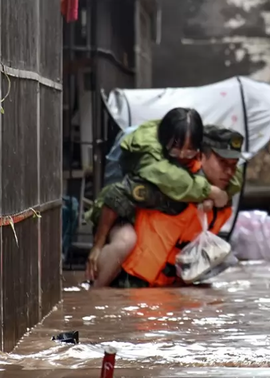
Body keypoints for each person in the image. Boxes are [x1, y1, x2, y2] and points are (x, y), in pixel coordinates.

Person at [85, 108, 241, 286]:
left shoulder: (200, 175)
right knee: (125, 241)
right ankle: (94, 291)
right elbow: (115, 197)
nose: (182, 157)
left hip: (161, 267)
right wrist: (97, 246)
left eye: (189, 152)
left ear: (198, 151)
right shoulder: (157, 170)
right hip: (115, 214)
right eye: (176, 151)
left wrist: (210, 196)